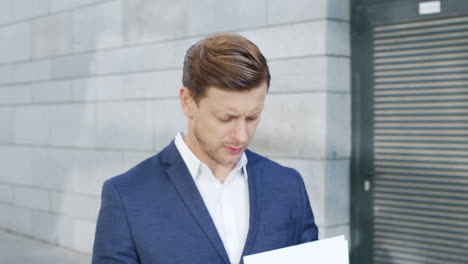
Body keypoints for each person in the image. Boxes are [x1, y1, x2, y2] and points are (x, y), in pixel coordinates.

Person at [92, 33, 318, 264]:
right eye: (226, 118)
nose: (241, 136)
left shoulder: (289, 185)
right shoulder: (126, 196)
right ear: (188, 102)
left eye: (252, 118)